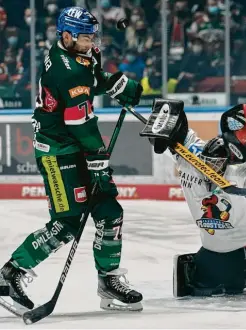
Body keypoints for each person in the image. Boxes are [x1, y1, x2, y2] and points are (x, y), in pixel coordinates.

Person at [0, 6, 143, 313]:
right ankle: (10, 273)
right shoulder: (67, 71)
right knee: (67, 222)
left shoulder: (76, 55)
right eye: (86, 37)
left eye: (94, 35)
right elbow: (79, 120)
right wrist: (97, 156)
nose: (92, 41)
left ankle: (108, 280)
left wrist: (117, 83)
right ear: (66, 35)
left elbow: (92, 77)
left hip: (76, 145)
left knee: (109, 211)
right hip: (58, 151)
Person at [142, 101, 246, 297]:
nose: (215, 168)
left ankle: (243, 270)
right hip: (225, 246)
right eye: (212, 164)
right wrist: (166, 122)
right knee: (198, 286)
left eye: (221, 163)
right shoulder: (191, 159)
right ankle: (239, 274)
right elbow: (180, 134)